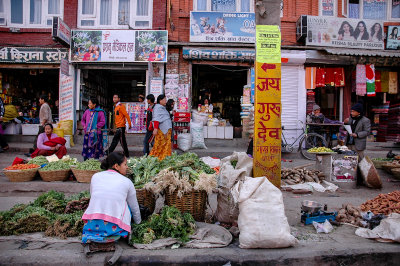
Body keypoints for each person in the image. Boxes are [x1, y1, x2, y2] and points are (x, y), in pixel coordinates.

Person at [81, 152, 141, 244]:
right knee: (127, 205)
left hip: (91, 224)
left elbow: (93, 196)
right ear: (116, 166)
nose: (127, 167)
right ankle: (116, 232)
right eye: (125, 164)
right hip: (114, 228)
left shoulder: (95, 177)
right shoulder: (127, 182)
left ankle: (96, 233)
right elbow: (134, 207)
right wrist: (138, 223)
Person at [149, 94, 172, 160]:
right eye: (164, 99)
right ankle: (156, 158)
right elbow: (156, 119)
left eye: (165, 99)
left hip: (166, 130)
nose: (165, 101)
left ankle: (164, 158)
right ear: (160, 100)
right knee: (159, 145)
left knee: (166, 145)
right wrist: (155, 129)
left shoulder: (162, 108)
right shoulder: (157, 108)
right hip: (162, 131)